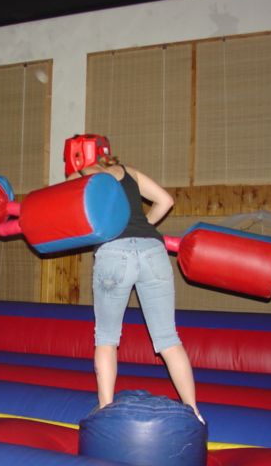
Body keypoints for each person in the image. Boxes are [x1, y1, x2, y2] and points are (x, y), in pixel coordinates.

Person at [64, 134, 203, 423]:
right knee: (168, 338)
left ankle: (105, 410)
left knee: (106, 338)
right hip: (153, 250)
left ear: (76, 156)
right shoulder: (130, 172)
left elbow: (69, 217)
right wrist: (144, 226)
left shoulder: (79, 177)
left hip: (113, 253)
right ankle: (194, 411)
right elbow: (166, 200)